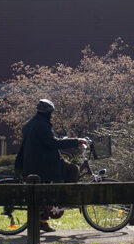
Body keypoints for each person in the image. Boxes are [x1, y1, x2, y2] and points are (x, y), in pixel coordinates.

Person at [15, 99, 87, 232]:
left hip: (31, 165)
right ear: (49, 112)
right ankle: (64, 201)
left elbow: (43, 144)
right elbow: (52, 143)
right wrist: (76, 141)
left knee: (44, 193)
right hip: (42, 166)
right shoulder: (43, 125)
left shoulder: (29, 124)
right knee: (73, 169)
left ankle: (43, 221)